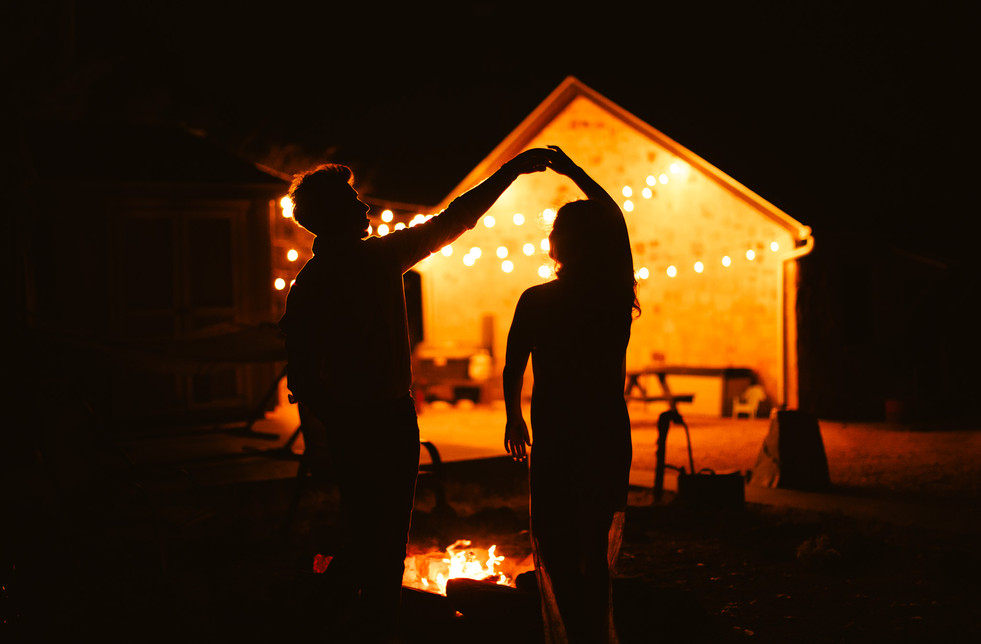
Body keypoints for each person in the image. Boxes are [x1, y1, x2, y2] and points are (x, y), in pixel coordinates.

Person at [279, 148, 551, 642]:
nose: (364, 206)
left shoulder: (368, 263)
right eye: (352, 198)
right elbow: (301, 371)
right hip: (365, 421)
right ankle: (344, 612)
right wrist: (338, 421)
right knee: (374, 531)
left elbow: (458, 219)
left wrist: (511, 170)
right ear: (330, 216)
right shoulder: (333, 277)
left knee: (382, 531)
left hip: (387, 416)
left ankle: (359, 613)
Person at [503, 146, 639, 644]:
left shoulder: (540, 299)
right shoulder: (614, 295)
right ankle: (593, 633)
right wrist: (576, 171)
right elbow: (615, 217)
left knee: (560, 544)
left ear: (558, 244)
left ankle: (575, 633)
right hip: (603, 430)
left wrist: (514, 416)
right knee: (591, 546)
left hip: (560, 435)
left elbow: (514, 362)